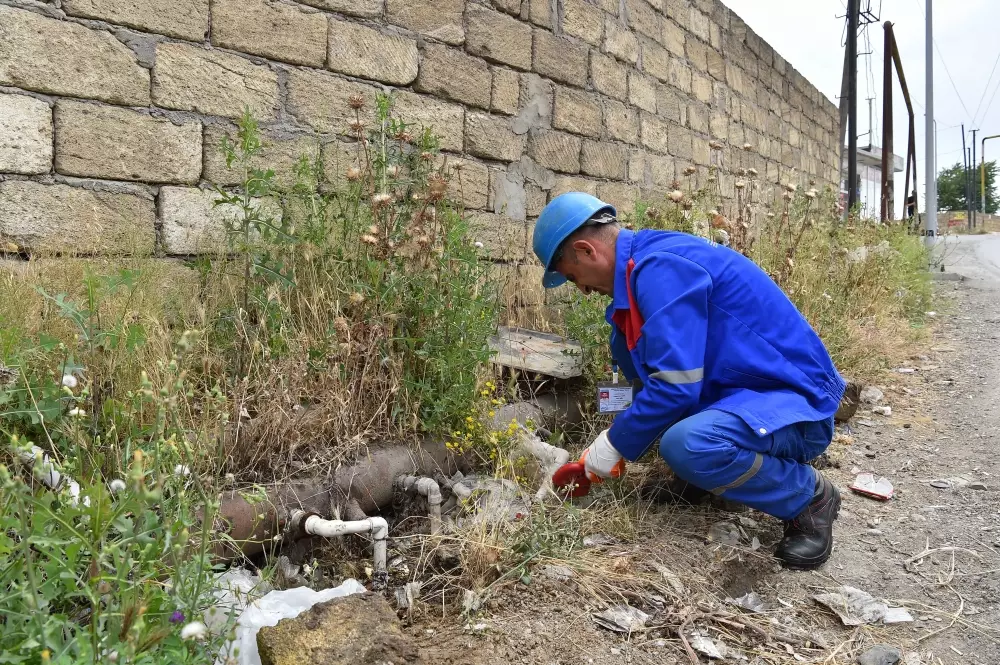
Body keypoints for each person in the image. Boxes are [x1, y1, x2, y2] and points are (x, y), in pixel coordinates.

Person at [533, 192, 846, 570]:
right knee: (629, 353)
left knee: (689, 444)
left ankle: (809, 497)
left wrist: (615, 442)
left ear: (585, 251)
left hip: (795, 411)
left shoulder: (661, 269)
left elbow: (676, 384)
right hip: (748, 401)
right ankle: (700, 472)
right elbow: (662, 381)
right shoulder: (641, 276)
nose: (582, 289)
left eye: (572, 277)